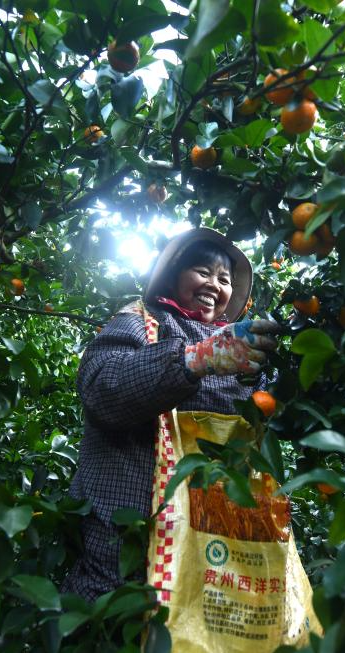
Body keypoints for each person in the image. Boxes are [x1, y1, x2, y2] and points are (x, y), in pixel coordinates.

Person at [62, 228, 282, 602]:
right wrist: (196, 359)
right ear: (174, 276)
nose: (214, 284)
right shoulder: (141, 320)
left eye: (224, 279)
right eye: (203, 271)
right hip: (129, 537)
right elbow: (101, 388)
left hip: (213, 541)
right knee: (119, 618)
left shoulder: (239, 348)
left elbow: (263, 416)